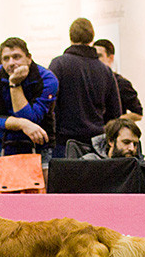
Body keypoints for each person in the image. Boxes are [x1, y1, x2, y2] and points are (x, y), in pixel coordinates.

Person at [48, 17, 122, 157]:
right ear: (92, 38)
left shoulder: (59, 65)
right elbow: (115, 113)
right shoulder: (105, 71)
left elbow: (49, 105)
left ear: (70, 36)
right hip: (97, 145)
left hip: (64, 144)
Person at [0, 37, 58, 162]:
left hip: (39, 148)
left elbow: (31, 118)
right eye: (6, 59)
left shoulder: (47, 78)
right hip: (3, 147)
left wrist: (15, 84)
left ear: (29, 58)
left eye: (16, 56)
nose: (11, 62)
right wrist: (22, 124)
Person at [93, 39, 143, 122]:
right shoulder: (90, 81)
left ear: (110, 58)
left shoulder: (121, 83)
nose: (95, 60)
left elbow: (138, 113)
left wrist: (116, 121)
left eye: (99, 56)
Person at [70, 117, 144, 160]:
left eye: (135, 144)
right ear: (111, 141)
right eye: (126, 142)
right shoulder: (90, 162)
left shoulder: (139, 167)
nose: (132, 148)